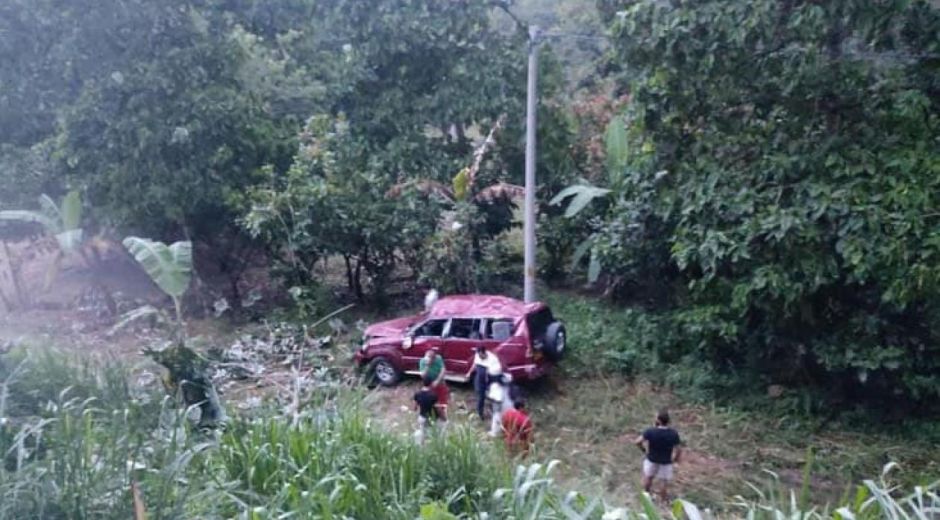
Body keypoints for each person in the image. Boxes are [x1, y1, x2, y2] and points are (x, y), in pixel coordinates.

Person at [633, 409, 682, 502]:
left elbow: (637, 442)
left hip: (652, 458)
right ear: (668, 421)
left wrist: (644, 450)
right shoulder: (673, 433)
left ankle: (646, 496)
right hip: (666, 461)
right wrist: (675, 459)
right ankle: (662, 501)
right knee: (664, 481)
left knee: (648, 477)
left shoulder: (650, 431)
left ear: (658, 420)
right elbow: (678, 449)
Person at [466, 345, 502, 421]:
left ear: (484, 352)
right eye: (478, 355)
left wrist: (489, 378)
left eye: (481, 355)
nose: (479, 357)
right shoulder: (477, 355)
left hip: (491, 378)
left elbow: (496, 372)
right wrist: (469, 372)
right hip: (480, 378)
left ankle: (496, 412)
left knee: (494, 396)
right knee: (480, 396)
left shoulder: (493, 359)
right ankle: (480, 414)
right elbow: (475, 365)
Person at [419, 347, 448, 421]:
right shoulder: (422, 361)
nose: (432, 360)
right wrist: (427, 366)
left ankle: (443, 414)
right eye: (430, 358)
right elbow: (423, 375)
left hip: (439, 382)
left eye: (433, 358)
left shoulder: (438, 358)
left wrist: (437, 380)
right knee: (431, 400)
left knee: (442, 400)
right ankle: (432, 414)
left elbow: (443, 369)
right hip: (429, 383)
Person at [413, 376, 438, 444]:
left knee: (422, 432)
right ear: (431, 383)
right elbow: (436, 407)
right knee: (430, 434)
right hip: (431, 417)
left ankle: (421, 446)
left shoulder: (417, 394)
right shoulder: (433, 395)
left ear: (422, 383)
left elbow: (415, 408)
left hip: (421, 417)